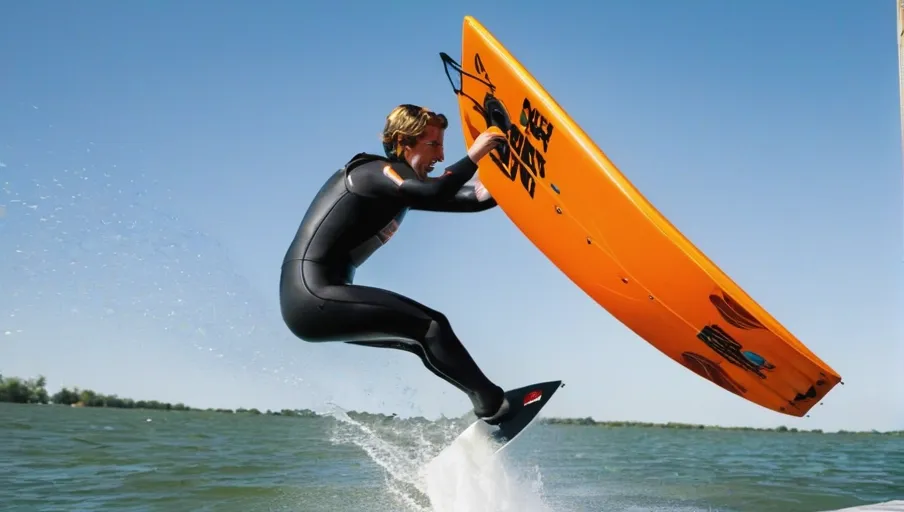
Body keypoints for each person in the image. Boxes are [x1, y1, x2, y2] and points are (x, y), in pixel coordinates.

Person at [279, 104, 512, 424]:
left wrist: (508, 157)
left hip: (316, 303)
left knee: (422, 340)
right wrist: (473, 155)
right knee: (432, 326)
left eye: (442, 146)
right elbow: (431, 192)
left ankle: (487, 408)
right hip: (312, 296)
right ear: (403, 141)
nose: (441, 156)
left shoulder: (400, 191)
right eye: (433, 144)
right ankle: (493, 405)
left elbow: (477, 198)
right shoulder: (371, 173)